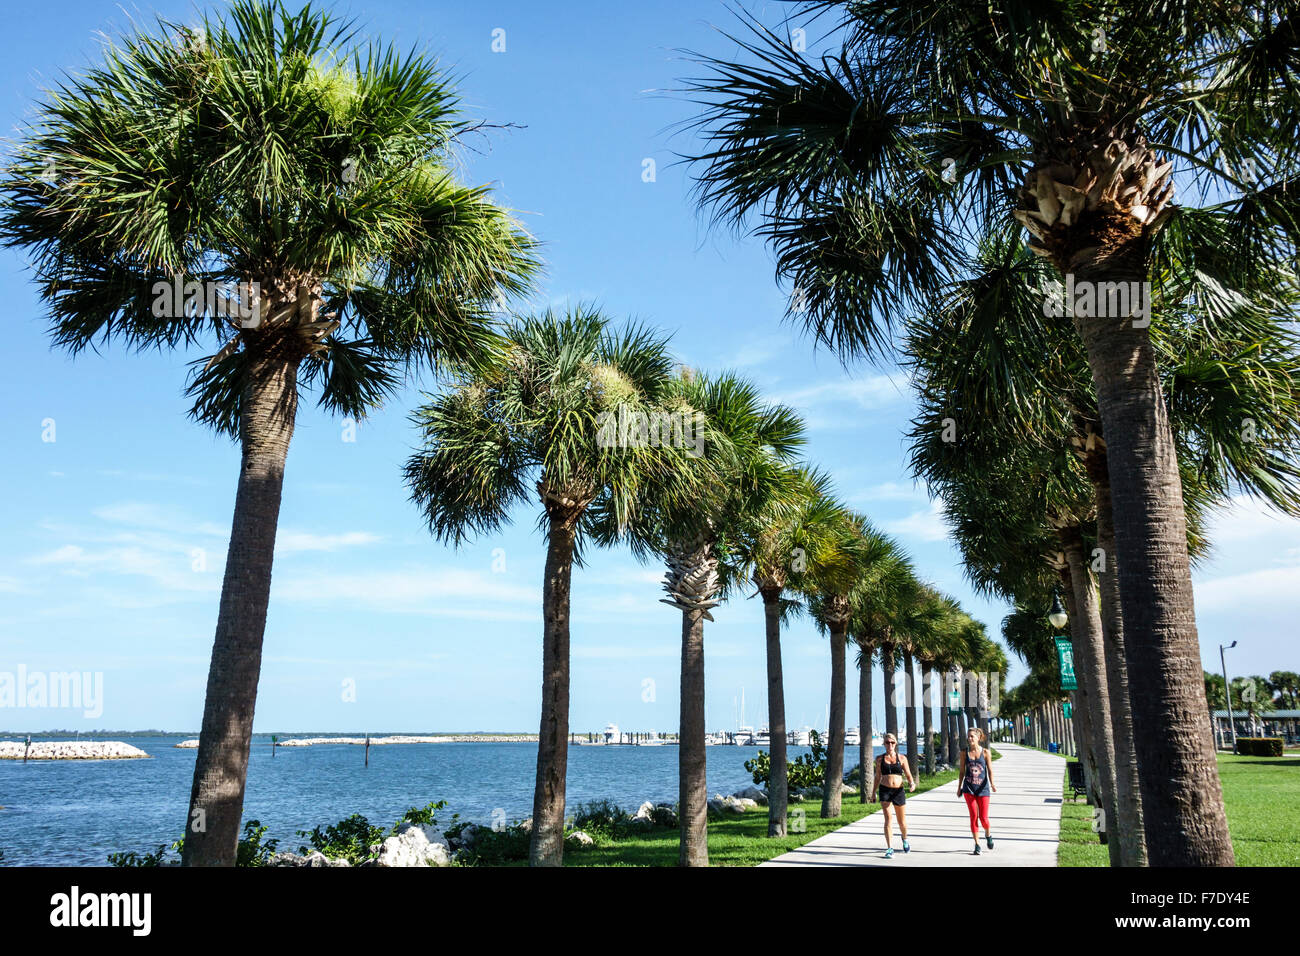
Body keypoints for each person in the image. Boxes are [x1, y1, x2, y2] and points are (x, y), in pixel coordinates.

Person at [870, 732, 915, 858]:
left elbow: (908, 774)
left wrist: (912, 783)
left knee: (902, 822)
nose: (890, 745)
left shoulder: (902, 758)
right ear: (884, 744)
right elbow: (877, 776)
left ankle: (904, 838)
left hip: (898, 791)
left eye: (892, 742)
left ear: (896, 744)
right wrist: (873, 792)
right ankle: (890, 848)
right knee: (888, 819)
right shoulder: (879, 759)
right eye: (887, 742)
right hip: (885, 790)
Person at [957, 727, 996, 854]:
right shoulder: (964, 752)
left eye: (972, 736)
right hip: (969, 789)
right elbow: (962, 771)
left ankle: (988, 834)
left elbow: (989, 770)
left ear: (978, 738)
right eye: (968, 736)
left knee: (983, 818)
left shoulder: (985, 752)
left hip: (983, 789)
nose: (969, 739)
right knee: (973, 817)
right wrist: (959, 788)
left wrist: (993, 784)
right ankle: (977, 844)